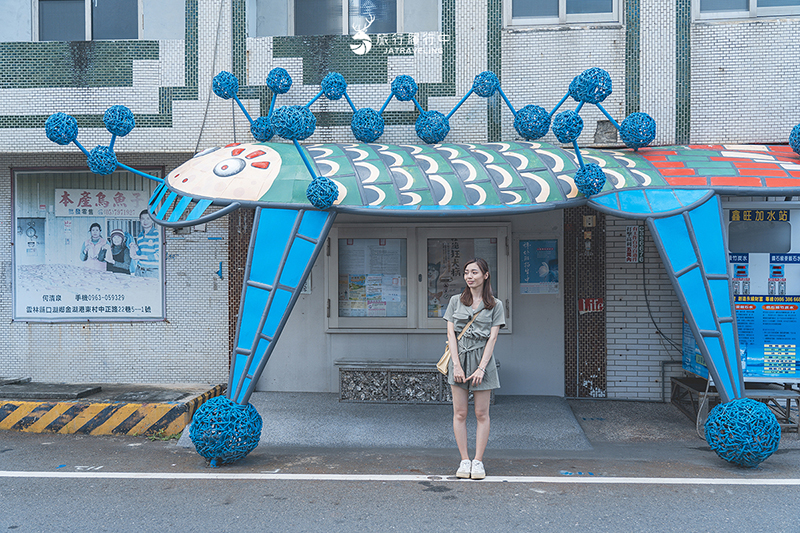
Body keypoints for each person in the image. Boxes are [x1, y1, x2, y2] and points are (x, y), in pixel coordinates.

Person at [443, 257, 505, 480]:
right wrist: (456, 365)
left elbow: (493, 338)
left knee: (481, 413)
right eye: (467, 273)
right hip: (458, 359)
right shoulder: (455, 301)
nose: (469, 276)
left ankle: (478, 461)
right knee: (460, 413)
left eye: (474, 272)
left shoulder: (495, 305)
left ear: (486, 275)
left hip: (483, 361)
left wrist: (481, 368)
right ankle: (464, 460)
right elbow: (451, 335)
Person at [130, 210, 160, 278]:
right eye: (143, 219)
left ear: (153, 220)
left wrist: (139, 257)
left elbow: (159, 255)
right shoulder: (140, 236)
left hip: (152, 272)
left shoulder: (157, 234)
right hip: (139, 270)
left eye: (148, 218)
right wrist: (136, 249)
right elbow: (141, 254)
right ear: (140, 220)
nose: (145, 221)